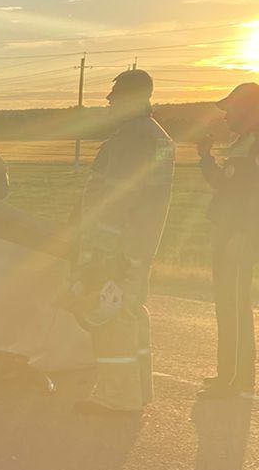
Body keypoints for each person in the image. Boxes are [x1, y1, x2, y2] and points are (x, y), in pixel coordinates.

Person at [73, 69, 174, 417]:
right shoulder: (156, 135)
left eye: (115, 94)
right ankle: (137, 391)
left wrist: (104, 253)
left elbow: (117, 198)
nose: (109, 100)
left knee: (111, 317)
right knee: (130, 313)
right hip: (139, 245)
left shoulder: (131, 137)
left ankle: (117, 398)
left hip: (116, 247)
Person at [196, 81, 259, 398]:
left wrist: (243, 234)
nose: (225, 115)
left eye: (230, 108)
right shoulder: (242, 142)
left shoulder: (255, 144)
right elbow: (225, 184)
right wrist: (205, 157)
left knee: (234, 304)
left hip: (239, 235)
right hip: (229, 231)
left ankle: (237, 378)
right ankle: (230, 373)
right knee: (227, 303)